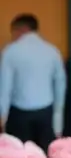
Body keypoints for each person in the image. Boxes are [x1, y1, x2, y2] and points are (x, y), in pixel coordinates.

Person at [0, 14, 66, 150]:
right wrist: (58, 123)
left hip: (18, 115)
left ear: (20, 29)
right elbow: (60, 85)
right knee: (46, 157)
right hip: (46, 112)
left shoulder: (10, 52)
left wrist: (3, 119)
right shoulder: (52, 51)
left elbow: (4, 88)